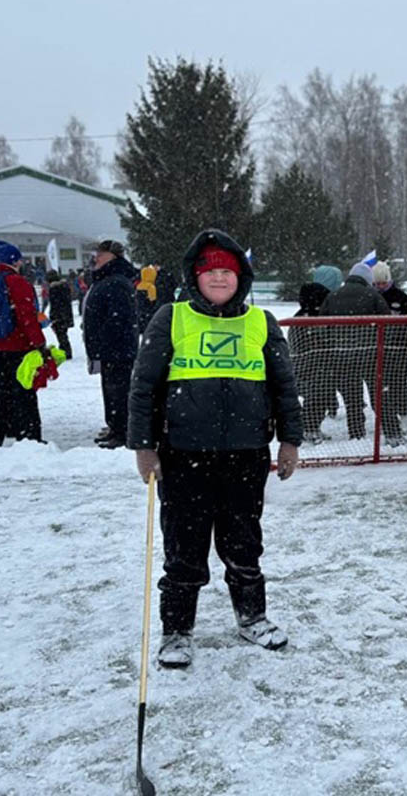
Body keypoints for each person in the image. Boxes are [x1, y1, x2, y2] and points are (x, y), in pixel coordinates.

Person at [127, 228, 302, 669]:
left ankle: (252, 617)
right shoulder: (171, 317)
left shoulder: (261, 322)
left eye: (227, 271)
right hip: (184, 455)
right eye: (210, 272)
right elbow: (143, 387)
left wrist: (290, 441)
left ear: (240, 277)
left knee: (244, 543)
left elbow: (284, 387)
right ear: (195, 277)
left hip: (245, 455)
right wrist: (144, 447)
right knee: (184, 548)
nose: (219, 279)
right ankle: (177, 631)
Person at [0, 240, 52, 449]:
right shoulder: (17, 282)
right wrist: (39, 343)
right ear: (14, 261)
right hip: (18, 348)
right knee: (24, 393)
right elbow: (27, 317)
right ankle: (29, 437)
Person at [318, 261, 391, 440]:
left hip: (341, 354)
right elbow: (387, 321)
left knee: (353, 400)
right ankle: (391, 430)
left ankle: (356, 433)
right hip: (369, 353)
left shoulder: (333, 295)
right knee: (379, 395)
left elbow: (321, 323)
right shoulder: (372, 295)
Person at [83, 239, 139, 448]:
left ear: (113, 256)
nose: (96, 256)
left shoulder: (116, 281)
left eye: (101, 253)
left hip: (117, 349)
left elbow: (119, 319)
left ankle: (122, 431)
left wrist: (104, 341)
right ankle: (115, 426)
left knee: (119, 391)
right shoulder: (106, 279)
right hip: (109, 348)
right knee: (111, 389)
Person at [372, 262, 407, 446]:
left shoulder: (401, 297)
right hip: (378, 349)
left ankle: (404, 413)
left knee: (399, 382)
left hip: (399, 347)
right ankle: (387, 418)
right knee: (382, 384)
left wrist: (395, 323)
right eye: (377, 283)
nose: (380, 287)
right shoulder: (371, 297)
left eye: (383, 283)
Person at [289, 277, 335, 444]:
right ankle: (308, 429)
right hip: (307, 367)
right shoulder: (303, 318)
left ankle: (312, 427)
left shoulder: (320, 316)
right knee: (315, 397)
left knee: (320, 397)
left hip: (320, 367)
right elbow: (299, 345)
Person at [46, 270, 75, 360]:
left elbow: (55, 304)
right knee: (63, 333)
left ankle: (66, 351)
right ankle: (65, 350)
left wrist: (53, 316)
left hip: (59, 315)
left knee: (61, 334)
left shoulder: (54, 289)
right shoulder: (65, 286)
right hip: (66, 313)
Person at [135, 263, 159, 333]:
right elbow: (153, 299)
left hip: (140, 308)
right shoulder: (151, 287)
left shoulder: (139, 285)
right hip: (148, 309)